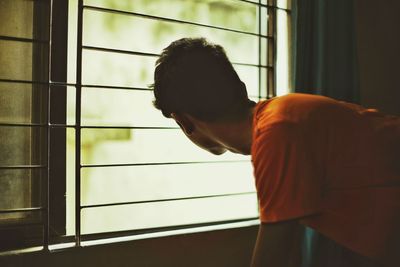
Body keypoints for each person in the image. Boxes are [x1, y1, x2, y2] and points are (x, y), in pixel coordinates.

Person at [151, 37, 400, 267]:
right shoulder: (283, 116)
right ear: (241, 86)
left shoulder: (276, 132)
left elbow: (274, 256)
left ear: (184, 122)